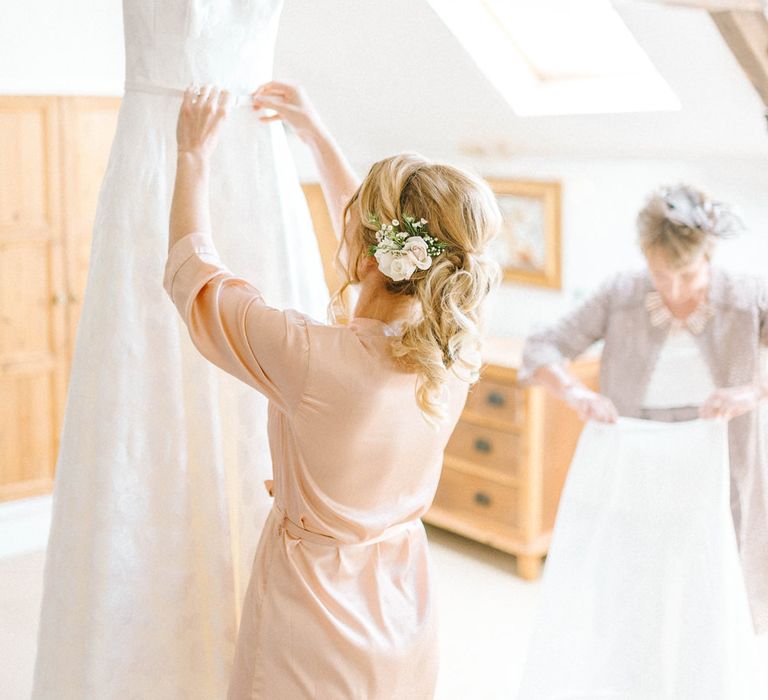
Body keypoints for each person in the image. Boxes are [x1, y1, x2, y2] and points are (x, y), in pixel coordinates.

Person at [166, 82, 500, 698]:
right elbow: (380, 246)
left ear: (374, 250)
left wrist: (191, 156)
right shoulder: (458, 347)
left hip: (312, 600)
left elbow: (195, 277)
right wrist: (316, 134)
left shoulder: (313, 357)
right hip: (403, 592)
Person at [519, 183, 768, 635]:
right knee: (638, 575)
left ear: (708, 255)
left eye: (687, 276)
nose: (673, 288)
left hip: (718, 461)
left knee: (712, 578)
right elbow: (542, 347)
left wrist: (752, 392)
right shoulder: (621, 293)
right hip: (637, 458)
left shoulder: (747, 298)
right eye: (660, 273)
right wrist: (577, 394)